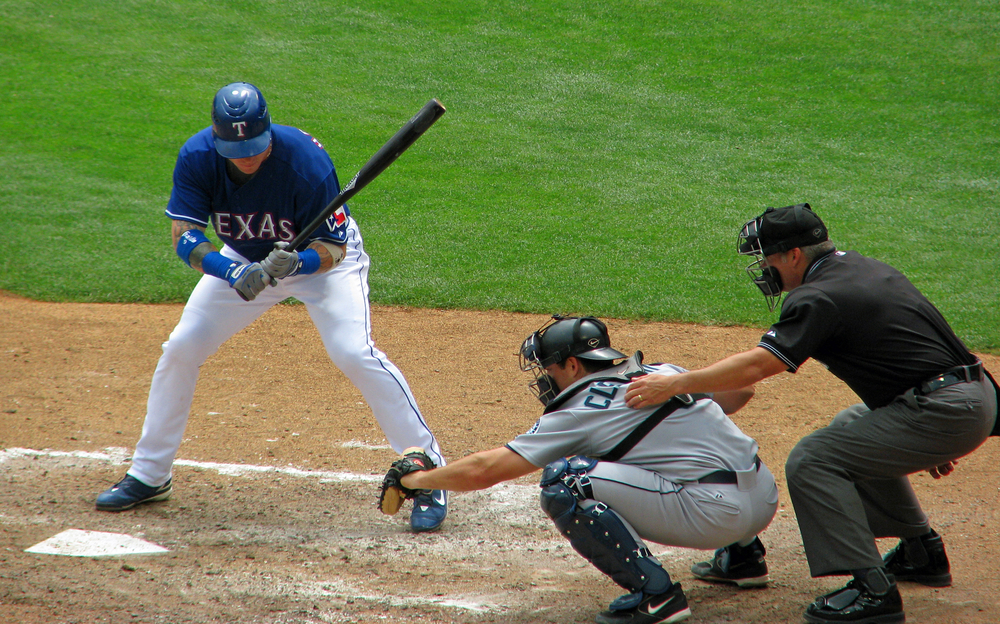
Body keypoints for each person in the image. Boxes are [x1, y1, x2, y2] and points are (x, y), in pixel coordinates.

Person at [95, 82, 448, 532]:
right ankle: (149, 474)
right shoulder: (198, 157)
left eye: (254, 147)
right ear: (217, 137)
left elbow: (335, 248)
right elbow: (184, 236)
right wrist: (231, 271)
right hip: (242, 262)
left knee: (353, 352)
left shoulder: (304, 162)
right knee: (182, 346)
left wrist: (299, 262)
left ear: (268, 131)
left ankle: (430, 474)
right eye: (235, 149)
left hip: (322, 266)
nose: (246, 156)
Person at [625, 203, 998, 623]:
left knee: (813, 459)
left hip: (946, 409)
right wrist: (933, 432)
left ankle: (873, 591)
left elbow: (760, 365)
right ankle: (921, 552)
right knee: (850, 424)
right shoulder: (863, 268)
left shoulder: (817, 296)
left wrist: (676, 383)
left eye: (767, 258)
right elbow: (921, 346)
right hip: (972, 395)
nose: (764, 269)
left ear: (793, 255)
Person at [393, 315, 778, 624]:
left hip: (715, 514)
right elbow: (741, 393)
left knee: (566, 480)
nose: (545, 377)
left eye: (548, 367)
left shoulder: (578, 411)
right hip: (764, 497)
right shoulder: (660, 372)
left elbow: (486, 470)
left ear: (573, 364)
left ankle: (656, 597)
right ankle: (744, 557)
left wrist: (420, 479)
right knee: (667, 445)